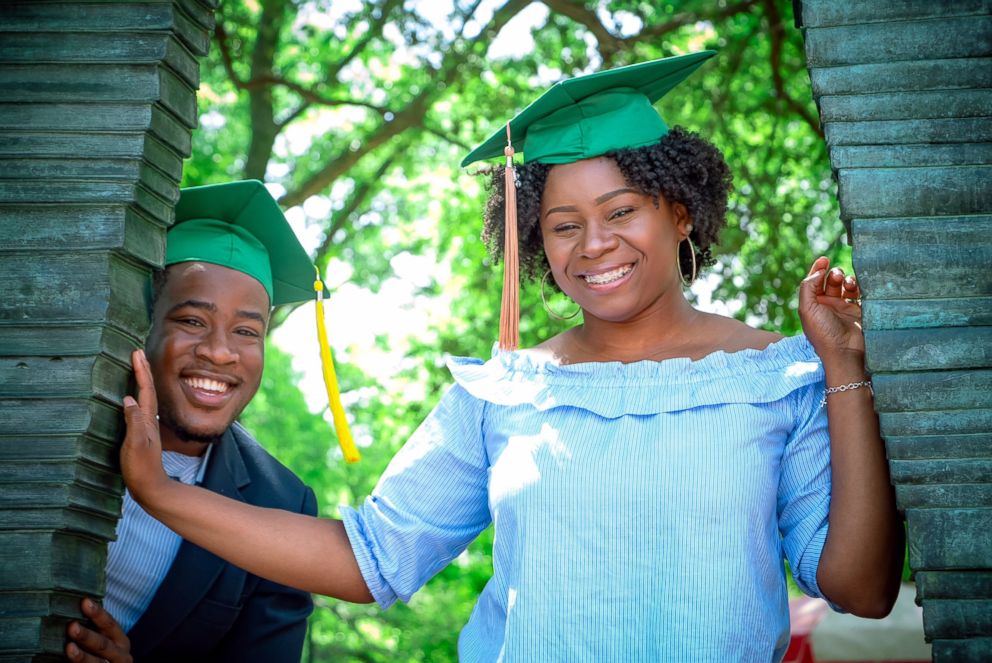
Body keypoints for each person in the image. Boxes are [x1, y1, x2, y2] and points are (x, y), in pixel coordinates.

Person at [115, 52, 906, 662]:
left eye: (621, 210)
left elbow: (860, 589)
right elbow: (369, 560)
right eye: (563, 224)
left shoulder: (774, 380)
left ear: (679, 211)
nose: (594, 244)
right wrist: (164, 494)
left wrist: (843, 366)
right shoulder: (502, 393)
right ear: (536, 240)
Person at [65, 181, 328, 663]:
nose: (220, 352)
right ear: (144, 321)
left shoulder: (282, 506)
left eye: (247, 331)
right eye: (191, 320)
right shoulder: (56, 422)